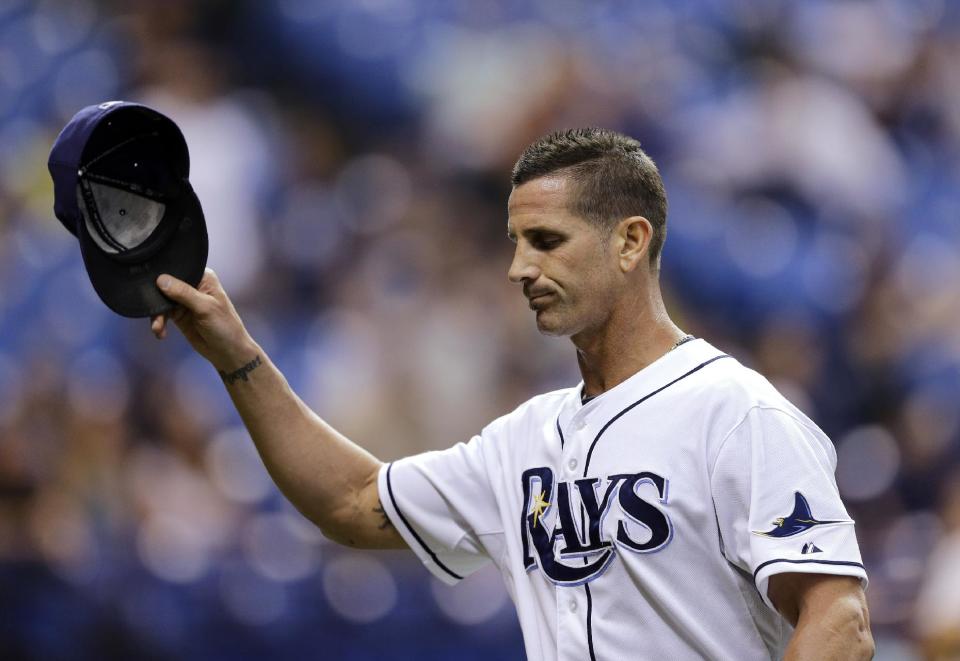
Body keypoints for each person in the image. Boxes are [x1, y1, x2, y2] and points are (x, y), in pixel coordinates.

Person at [151, 128, 874, 660]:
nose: (518, 268)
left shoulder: (737, 412)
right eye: (515, 241)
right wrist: (238, 358)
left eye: (547, 240)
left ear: (630, 242)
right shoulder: (526, 437)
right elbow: (351, 502)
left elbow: (838, 618)